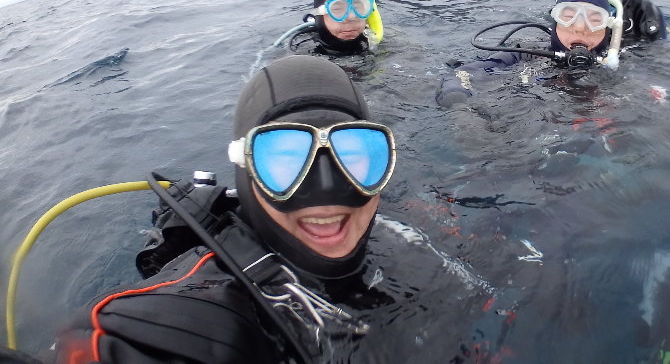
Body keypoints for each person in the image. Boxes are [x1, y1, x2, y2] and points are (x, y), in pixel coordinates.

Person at [48, 55, 495, 364]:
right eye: (285, 158)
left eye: (355, 153)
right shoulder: (195, 318)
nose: (327, 192)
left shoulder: (405, 237)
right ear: (245, 170)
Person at [435, 0, 617, 108]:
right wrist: (460, 107)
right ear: (555, 22)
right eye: (568, 17)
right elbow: (462, 73)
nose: (580, 28)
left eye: (595, 20)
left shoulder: (617, 63)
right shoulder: (526, 53)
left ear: (607, 28)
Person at [286, 0, 376, 55]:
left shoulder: (376, 40)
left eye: (357, 8)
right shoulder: (301, 49)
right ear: (320, 16)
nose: (351, 16)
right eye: (337, 9)